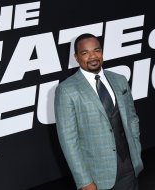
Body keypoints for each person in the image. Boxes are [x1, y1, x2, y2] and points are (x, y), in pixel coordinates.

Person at [54, 33, 143, 190]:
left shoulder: (119, 79)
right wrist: (84, 181)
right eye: (85, 53)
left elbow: (132, 118)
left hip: (129, 166)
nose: (92, 56)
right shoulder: (66, 90)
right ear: (76, 57)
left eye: (96, 50)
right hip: (97, 176)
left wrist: (136, 148)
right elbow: (69, 141)